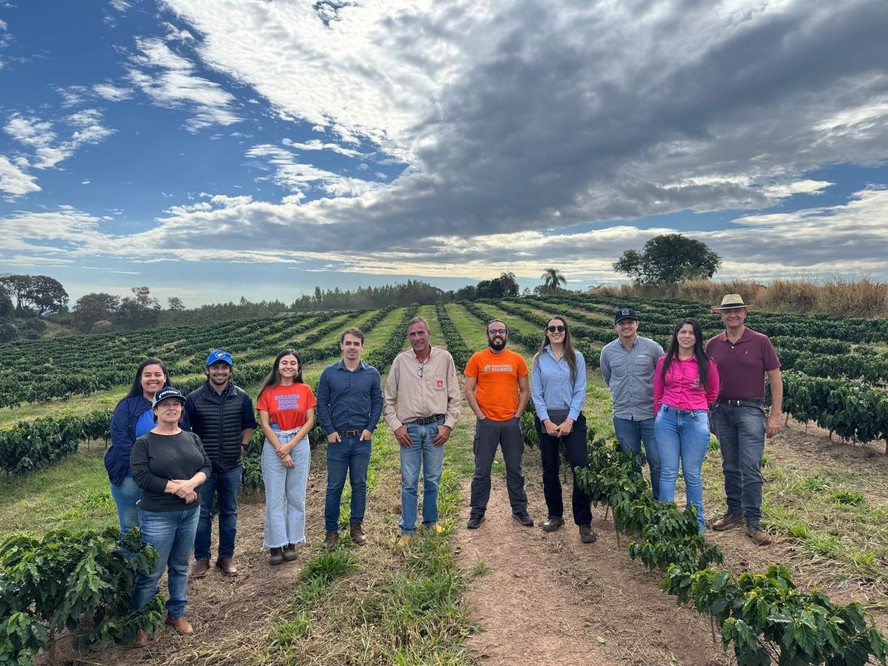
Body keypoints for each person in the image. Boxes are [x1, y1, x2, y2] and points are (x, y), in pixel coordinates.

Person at [130, 387, 211, 646]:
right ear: (155, 410)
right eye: (166, 404)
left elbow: (206, 466)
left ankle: (176, 613)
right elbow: (143, 477)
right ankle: (139, 622)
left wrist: (191, 484)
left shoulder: (191, 438)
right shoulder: (144, 443)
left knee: (180, 566)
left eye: (176, 404)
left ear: (182, 409)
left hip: (189, 513)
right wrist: (178, 489)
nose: (172, 408)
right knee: (151, 572)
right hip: (158, 515)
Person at [705, 294, 782, 546]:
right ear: (721, 316)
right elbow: (705, 379)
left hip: (750, 409)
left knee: (750, 467)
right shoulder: (713, 345)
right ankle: (734, 511)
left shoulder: (761, 341)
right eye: (727, 311)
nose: (733, 315)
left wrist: (775, 414)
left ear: (745, 313)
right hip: (721, 410)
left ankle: (753, 521)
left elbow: (775, 378)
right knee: (730, 465)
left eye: (737, 310)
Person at [383, 317, 461, 547]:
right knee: (409, 481)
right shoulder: (401, 361)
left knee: (433, 479)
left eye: (420, 333)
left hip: (436, 428)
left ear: (429, 334)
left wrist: (448, 425)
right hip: (410, 430)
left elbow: (455, 397)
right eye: (412, 334)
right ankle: (407, 528)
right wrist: (397, 427)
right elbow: (388, 400)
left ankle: (430, 521)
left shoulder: (444, 359)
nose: (416, 338)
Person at [184, 350, 257, 578]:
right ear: (207, 370)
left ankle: (226, 557)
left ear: (230, 370)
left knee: (229, 512)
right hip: (203, 469)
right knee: (202, 513)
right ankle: (202, 558)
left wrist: (243, 445)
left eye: (224, 367)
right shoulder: (193, 399)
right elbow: (185, 431)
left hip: (231, 465)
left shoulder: (242, 397)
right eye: (215, 367)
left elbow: (249, 424)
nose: (220, 371)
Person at [530, 316, 596, 543]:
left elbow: (580, 390)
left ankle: (584, 522)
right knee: (550, 468)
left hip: (572, 418)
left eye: (560, 328)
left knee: (581, 468)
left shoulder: (577, 357)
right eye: (552, 328)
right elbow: (537, 393)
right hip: (547, 418)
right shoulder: (539, 359)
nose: (556, 331)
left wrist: (569, 420)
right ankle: (555, 515)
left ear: (566, 331)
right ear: (546, 332)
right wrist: (546, 421)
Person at [317, 328, 383, 549]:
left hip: (362, 439)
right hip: (337, 439)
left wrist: (371, 427)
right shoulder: (329, 373)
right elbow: (321, 403)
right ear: (341, 346)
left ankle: (356, 526)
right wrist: (329, 430)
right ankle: (331, 531)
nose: (352, 347)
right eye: (348, 343)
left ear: (362, 346)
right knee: (334, 486)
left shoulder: (371, 373)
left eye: (356, 343)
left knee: (359, 484)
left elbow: (378, 402)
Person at [465, 319, 533, 529]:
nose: (497, 334)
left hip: (511, 423)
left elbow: (525, 390)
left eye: (501, 331)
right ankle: (477, 511)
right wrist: (480, 416)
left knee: (515, 468)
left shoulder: (517, 359)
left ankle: (519, 509)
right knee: (482, 470)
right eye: (493, 331)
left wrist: (517, 416)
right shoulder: (477, 359)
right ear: (487, 335)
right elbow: (468, 389)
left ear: (506, 335)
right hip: (487, 424)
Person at [653, 318, 719, 533]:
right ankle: (666, 523)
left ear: (697, 338)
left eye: (691, 333)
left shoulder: (707, 364)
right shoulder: (664, 361)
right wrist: (659, 414)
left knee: (692, 474)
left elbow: (712, 393)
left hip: (694, 420)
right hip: (667, 419)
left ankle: (696, 525)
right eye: (683, 332)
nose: (687, 336)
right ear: (676, 335)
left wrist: (696, 407)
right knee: (668, 472)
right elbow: (658, 391)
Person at [256, 349, 317, 564]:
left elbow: (310, 421)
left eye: (293, 363)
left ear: (298, 368)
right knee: (274, 497)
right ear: (277, 366)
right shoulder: (267, 392)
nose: (288, 366)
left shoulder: (305, 390)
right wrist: (281, 450)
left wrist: (290, 445)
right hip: (275, 442)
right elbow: (264, 424)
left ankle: (292, 542)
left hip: (298, 442)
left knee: (296, 496)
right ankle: (275, 544)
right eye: (284, 362)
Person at [106, 358, 176, 537]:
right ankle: (132, 557)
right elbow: (121, 442)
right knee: (131, 529)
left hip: (167, 477)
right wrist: (143, 471)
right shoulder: (127, 406)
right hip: (132, 477)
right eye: (147, 375)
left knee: (162, 528)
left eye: (157, 374)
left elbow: (185, 436)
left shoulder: (175, 404)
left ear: (165, 377)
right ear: (140, 379)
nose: (153, 378)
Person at [599, 308, 665, 498]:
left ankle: (660, 502)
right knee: (631, 463)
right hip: (623, 416)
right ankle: (638, 502)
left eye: (630, 322)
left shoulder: (653, 348)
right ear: (615, 327)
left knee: (657, 461)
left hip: (650, 415)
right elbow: (608, 378)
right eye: (622, 323)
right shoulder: (607, 352)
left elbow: (662, 377)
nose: (626, 326)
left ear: (637, 324)